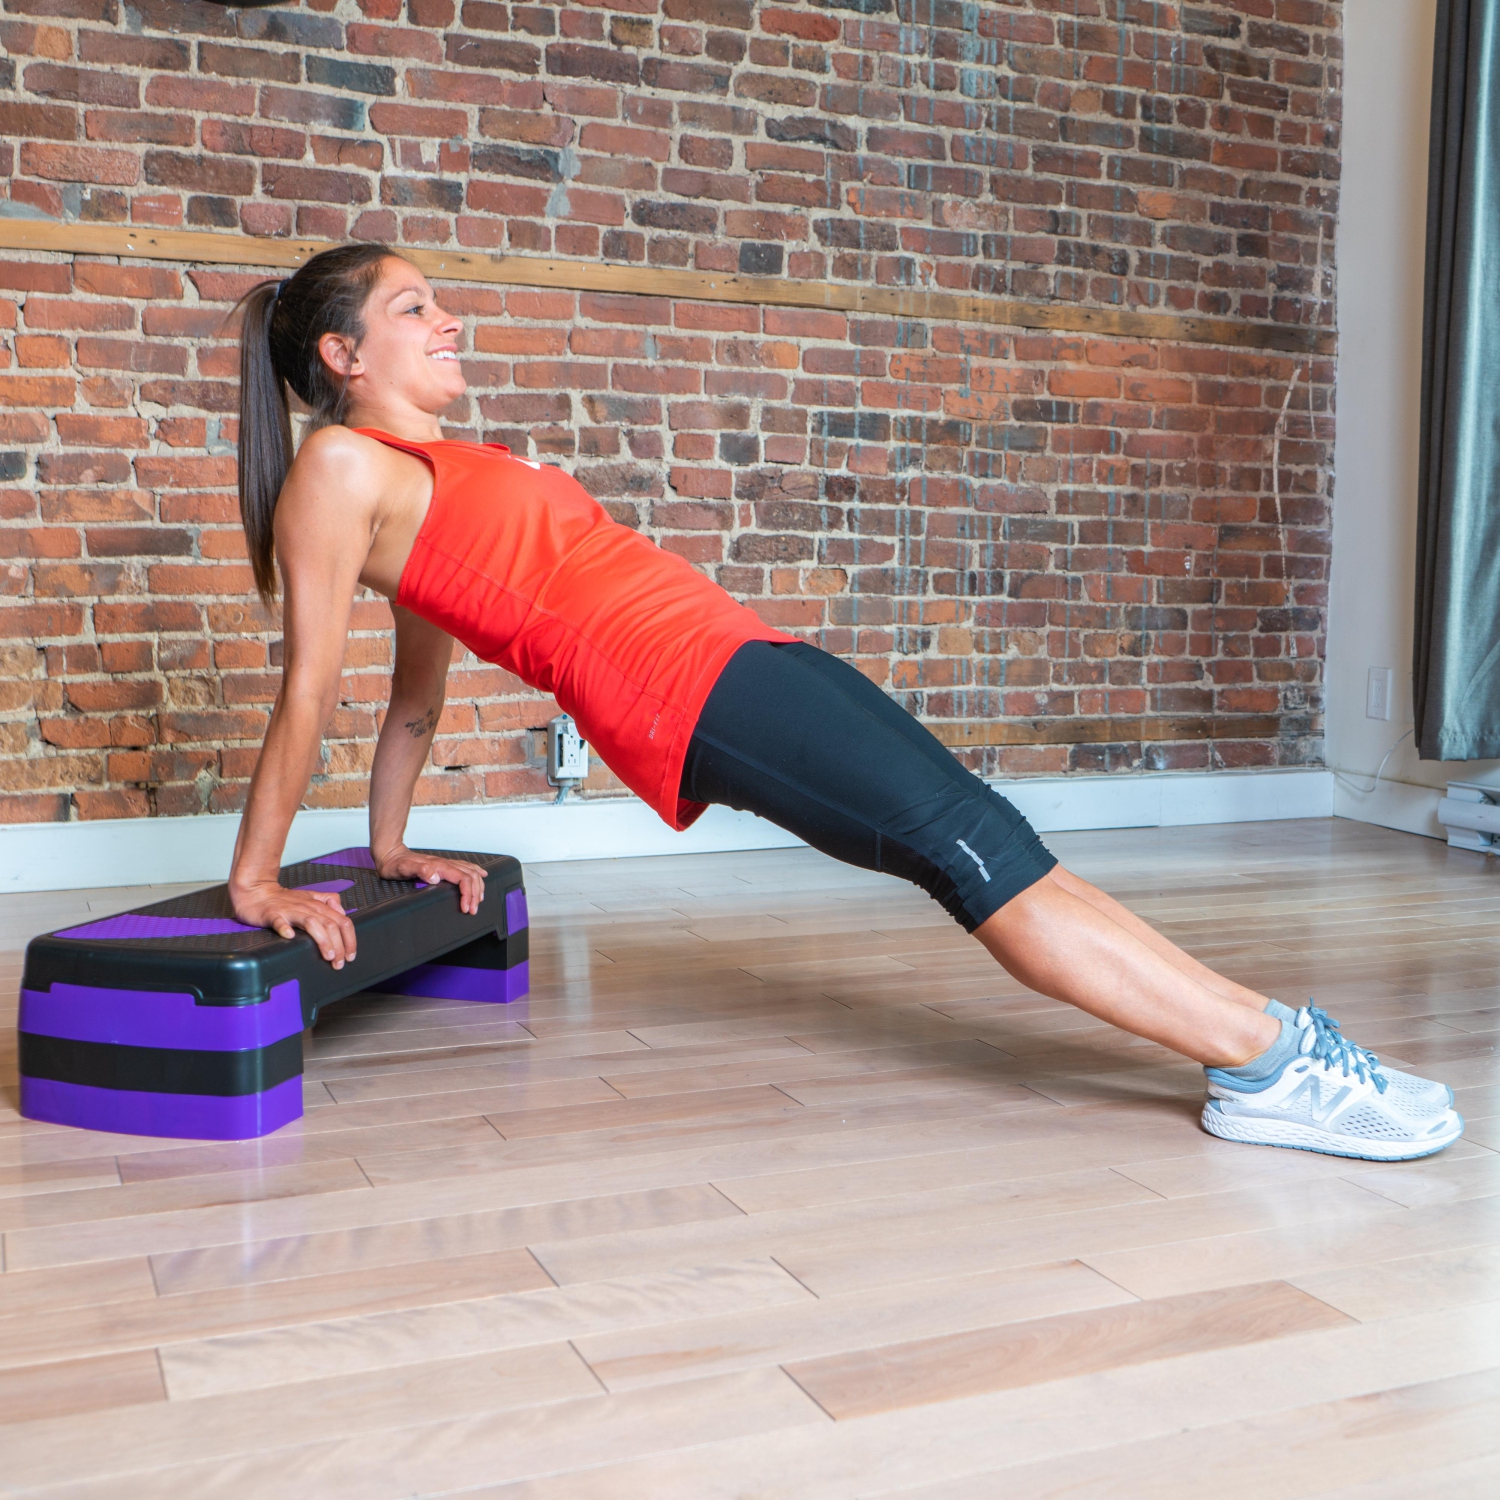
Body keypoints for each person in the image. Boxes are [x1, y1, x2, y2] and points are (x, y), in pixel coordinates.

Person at [226, 243, 1462, 1163]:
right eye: (415, 309)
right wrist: (257, 880)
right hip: (687, 688)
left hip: (739, 659)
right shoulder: (338, 469)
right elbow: (313, 688)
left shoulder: (434, 473)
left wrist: (392, 850)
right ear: (341, 356)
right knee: (971, 858)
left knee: (990, 838)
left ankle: (1274, 1043)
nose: (453, 322)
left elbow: (415, 706)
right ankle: (1268, 1064)